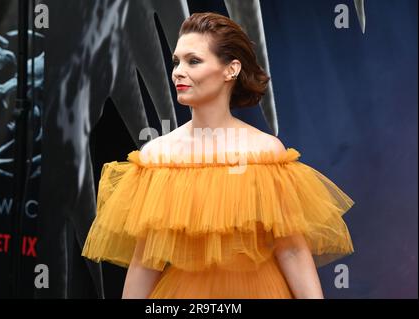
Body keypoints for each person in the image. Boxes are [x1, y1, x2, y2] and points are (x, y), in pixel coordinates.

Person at [82, 12, 355, 299]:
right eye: (176, 61)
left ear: (231, 69)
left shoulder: (264, 153)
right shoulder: (157, 157)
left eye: (194, 61)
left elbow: (292, 251)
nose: (177, 71)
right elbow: (145, 261)